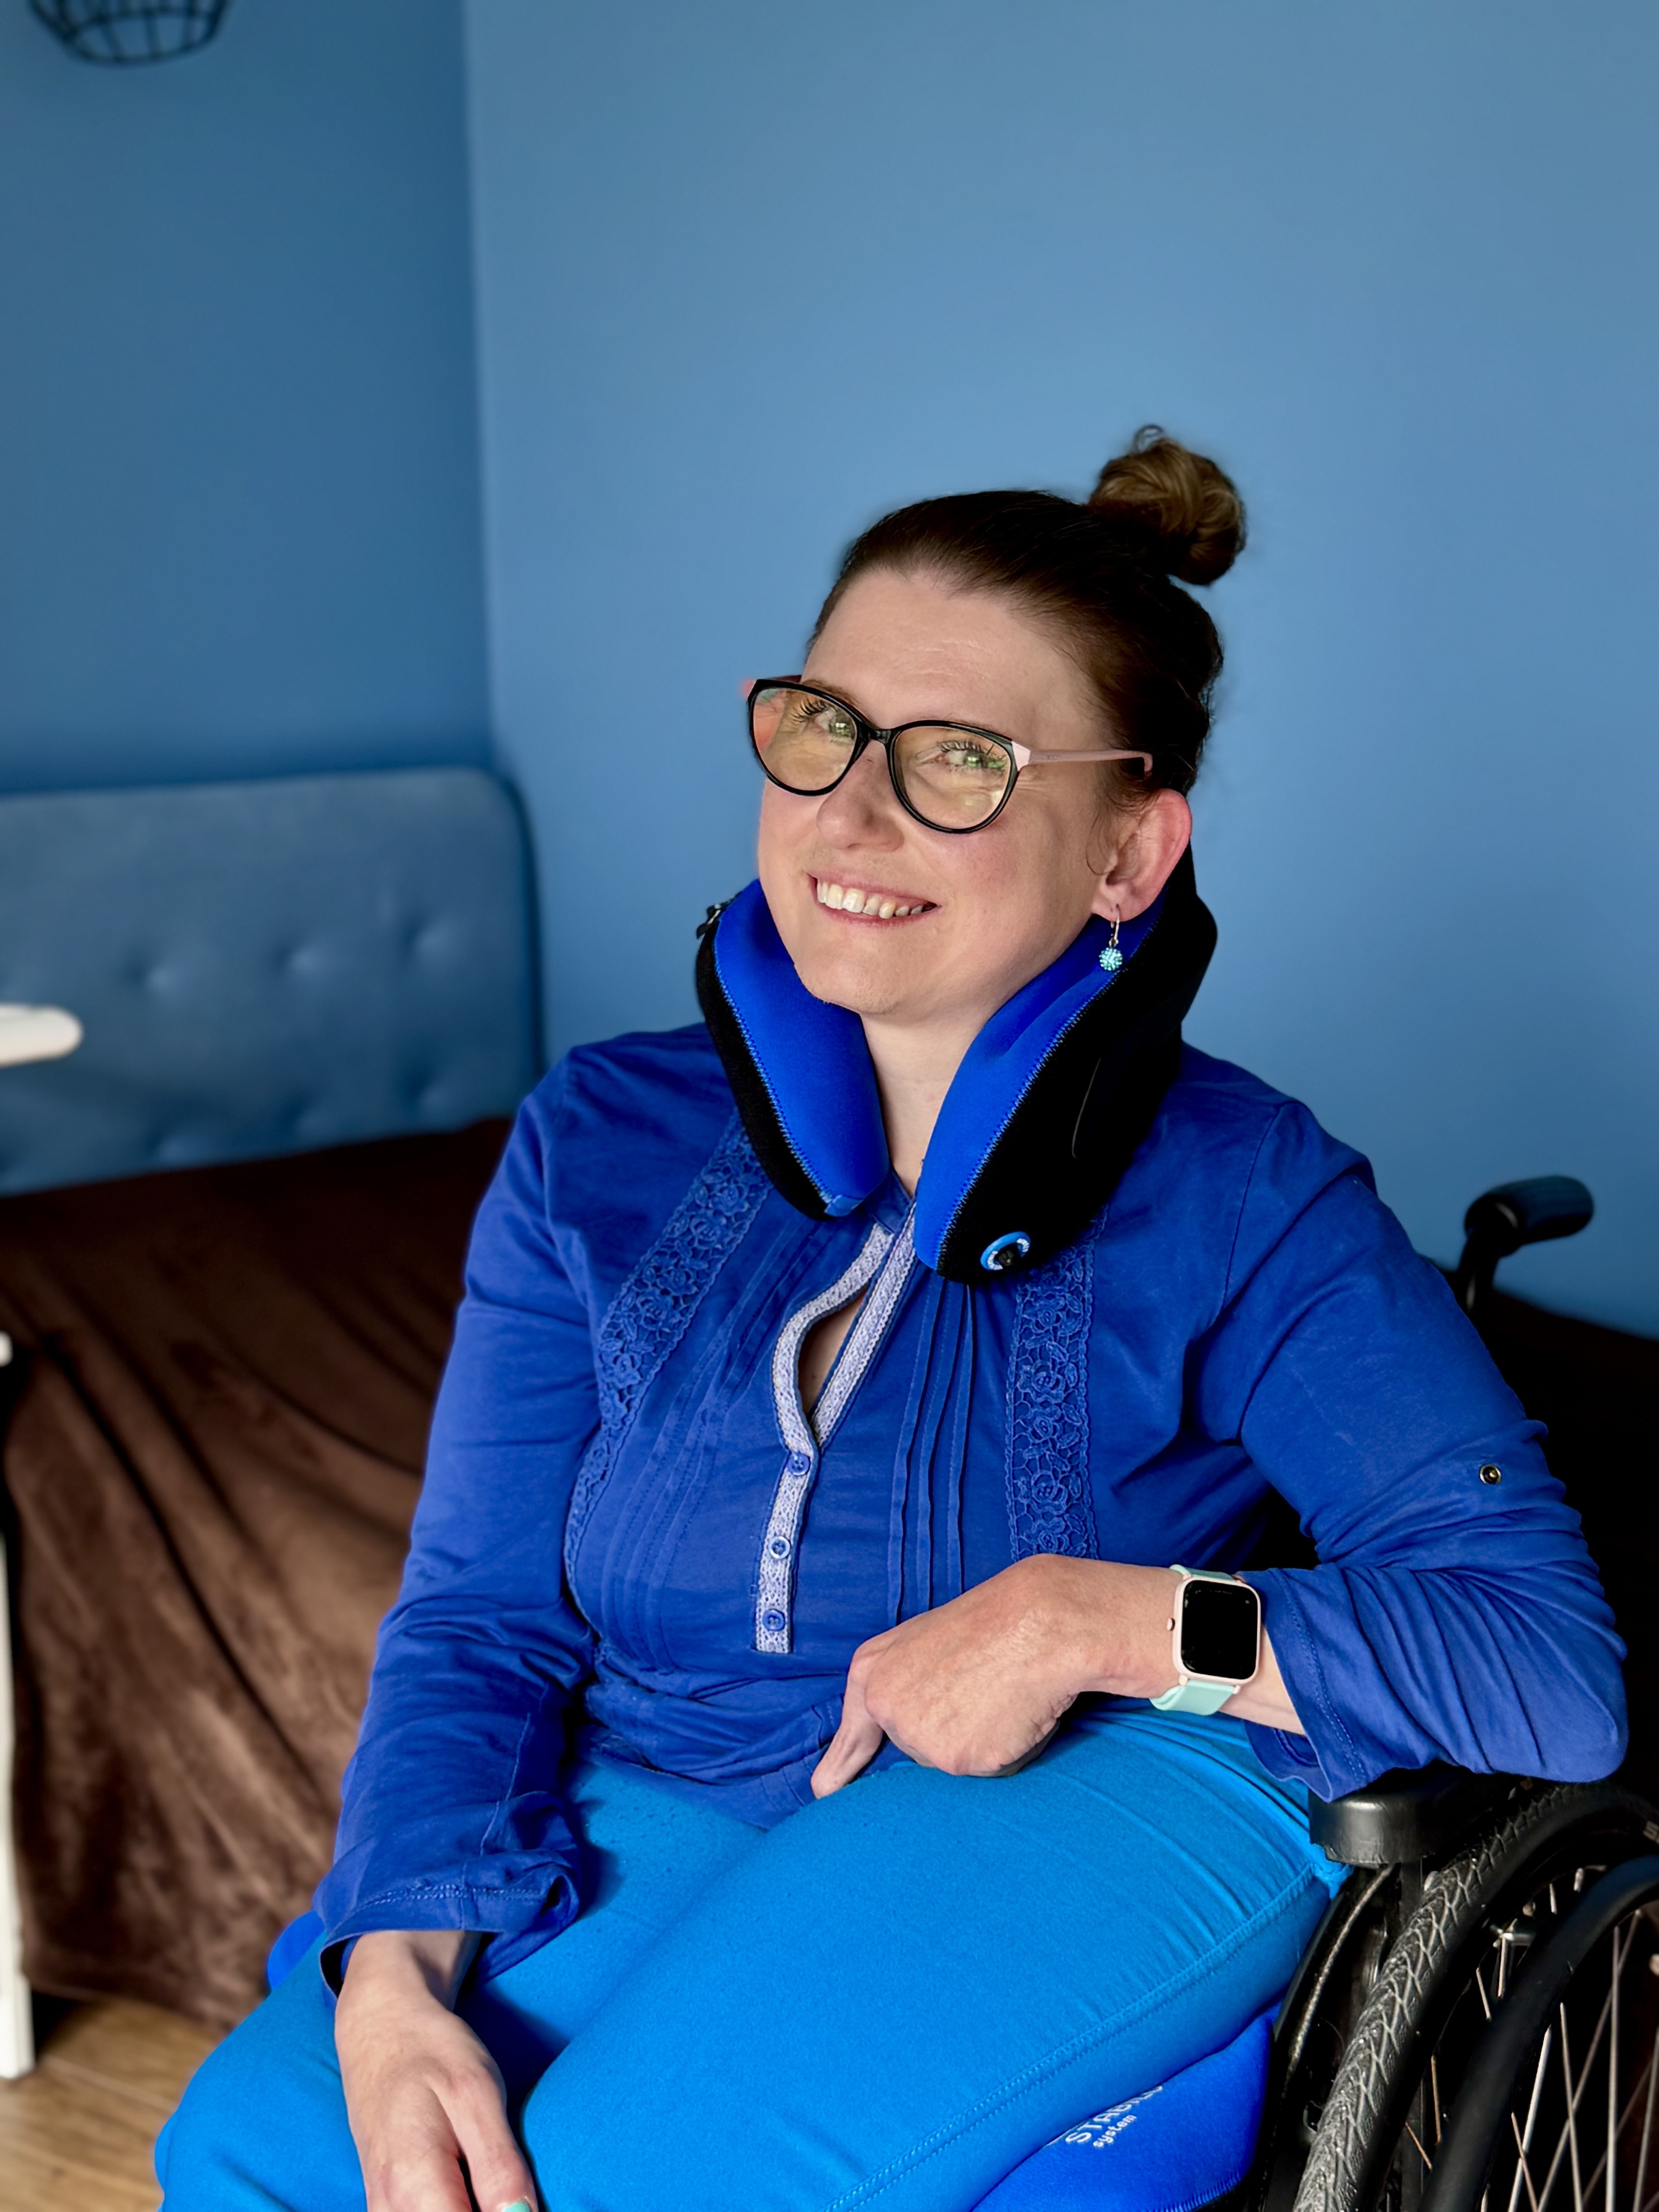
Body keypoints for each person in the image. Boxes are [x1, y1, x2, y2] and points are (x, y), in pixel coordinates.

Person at [158, 431, 1626, 2212]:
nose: (848, 817)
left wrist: (1090, 1617)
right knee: (249, 2152)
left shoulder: (1249, 1192)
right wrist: (393, 1971)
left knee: (634, 2178)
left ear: (1129, 852)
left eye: (958, 761)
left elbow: (1544, 1664)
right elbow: (476, 1615)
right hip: (665, 1764)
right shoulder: (596, 1139)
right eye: (826, 728)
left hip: (1095, 1783)